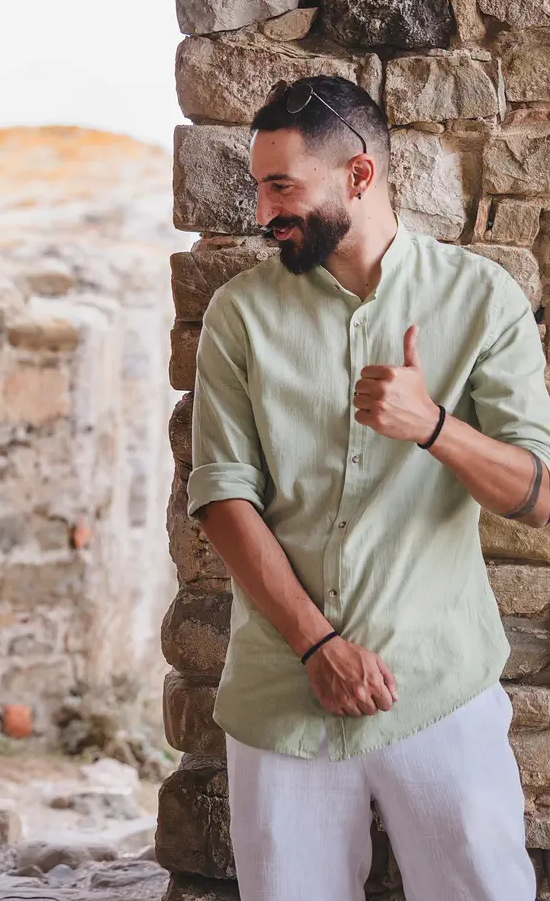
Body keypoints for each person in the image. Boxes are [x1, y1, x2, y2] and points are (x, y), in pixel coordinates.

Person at [189, 75, 550, 900]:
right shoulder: (239, 314)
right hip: (282, 697)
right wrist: (317, 647)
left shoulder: (480, 298)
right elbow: (222, 495)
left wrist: (433, 426)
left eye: (282, 186)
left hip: (439, 689)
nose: (262, 211)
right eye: (258, 186)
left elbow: (539, 494)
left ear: (359, 175)